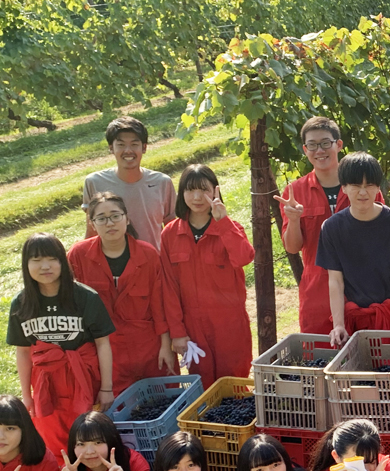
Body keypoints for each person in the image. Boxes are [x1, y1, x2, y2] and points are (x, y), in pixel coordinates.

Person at [7, 233, 115, 457]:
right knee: (52, 440)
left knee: (89, 435)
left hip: (84, 379)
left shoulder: (85, 297)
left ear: (62, 261)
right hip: (46, 383)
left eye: (51, 258)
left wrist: (106, 388)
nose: (44, 266)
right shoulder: (22, 302)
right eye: (36, 260)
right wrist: (27, 395)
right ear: (26, 264)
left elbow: (103, 344)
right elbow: (23, 351)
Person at [274, 117, 384, 335]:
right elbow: (292, 248)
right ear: (305, 149)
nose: (319, 151)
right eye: (312, 145)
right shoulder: (295, 192)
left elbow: (381, 235)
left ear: (338, 144)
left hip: (364, 288)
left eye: (326, 143)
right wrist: (294, 219)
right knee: (322, 359)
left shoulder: (365, 187)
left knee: (368, 358)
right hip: (319, 292)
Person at [315, 152, 390, 347]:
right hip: (355, 319)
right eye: (356, 185)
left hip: (389, 314)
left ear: (378, 187)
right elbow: (335, 281)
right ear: (344, 187)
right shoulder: (331, 228)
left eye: (369, 185)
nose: (363, 192)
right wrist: (338, 324)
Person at [69, 192, 175, 395]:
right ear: (92, 224)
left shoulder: (148, 254)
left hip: (148, 347)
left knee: (163, 401)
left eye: (115, 216)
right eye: (101, 218)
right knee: (115, 414)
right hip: (106, 352)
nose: (110, 223)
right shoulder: (78, 256)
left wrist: (165, 345)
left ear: (127, 219)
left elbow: (159, 304)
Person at [160, 164, 254, 386]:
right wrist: (177, 332)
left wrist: (223, 223)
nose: (196, 197)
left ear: (215, 191)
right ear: (181, 194)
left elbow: (244, 258)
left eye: (203, 190)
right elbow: (168, 287)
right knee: (201, 387)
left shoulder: (230, 227)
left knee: (234, 384)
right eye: (190, 190)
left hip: (229, 323)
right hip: (193, 327)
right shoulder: (170, 234)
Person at [82, 116, 176, 250]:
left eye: (134, 144)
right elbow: (91, 232)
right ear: (111, 148)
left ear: (144, 148)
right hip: (113, 267)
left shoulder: (162, 183)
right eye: (120, 145)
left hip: (154, 263)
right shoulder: (94, 183)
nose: (128, 151)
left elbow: (171, 229)